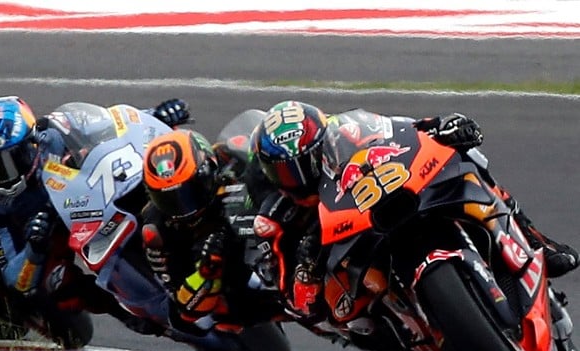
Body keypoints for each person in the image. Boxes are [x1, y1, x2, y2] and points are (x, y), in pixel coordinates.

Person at [246, 100, 579, 322]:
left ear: (323, 144)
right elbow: (293, 296)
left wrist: (444, 127)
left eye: (305, 164)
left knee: (469, 161)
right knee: (346, 316)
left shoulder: (348, 133)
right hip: (359, 277)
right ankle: (406, 330)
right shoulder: (279, 212)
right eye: (287, 171)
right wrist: (306, 271)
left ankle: (536, 243)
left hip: (390, 201)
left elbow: (402, 129)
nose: (300, 177)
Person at [0, 94, 193, 323]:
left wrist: (156, 115)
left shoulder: (56, 129)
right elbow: (14, 278)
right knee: (54, 289)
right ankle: (122, 311)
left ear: (31, 143)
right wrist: (34, 247)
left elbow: (112, 123)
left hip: (88, 199)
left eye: (12, 159)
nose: (3, 175)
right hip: (46, 235)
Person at [140, 128, 273, 333]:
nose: (182, 207)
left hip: (261, 224)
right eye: (167, 200)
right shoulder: (156, 230)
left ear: (207, 169)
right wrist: (208, 269)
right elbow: (185, 306)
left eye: (189, 192)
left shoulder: (231, 156)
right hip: (220, 271)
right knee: (190, 322)